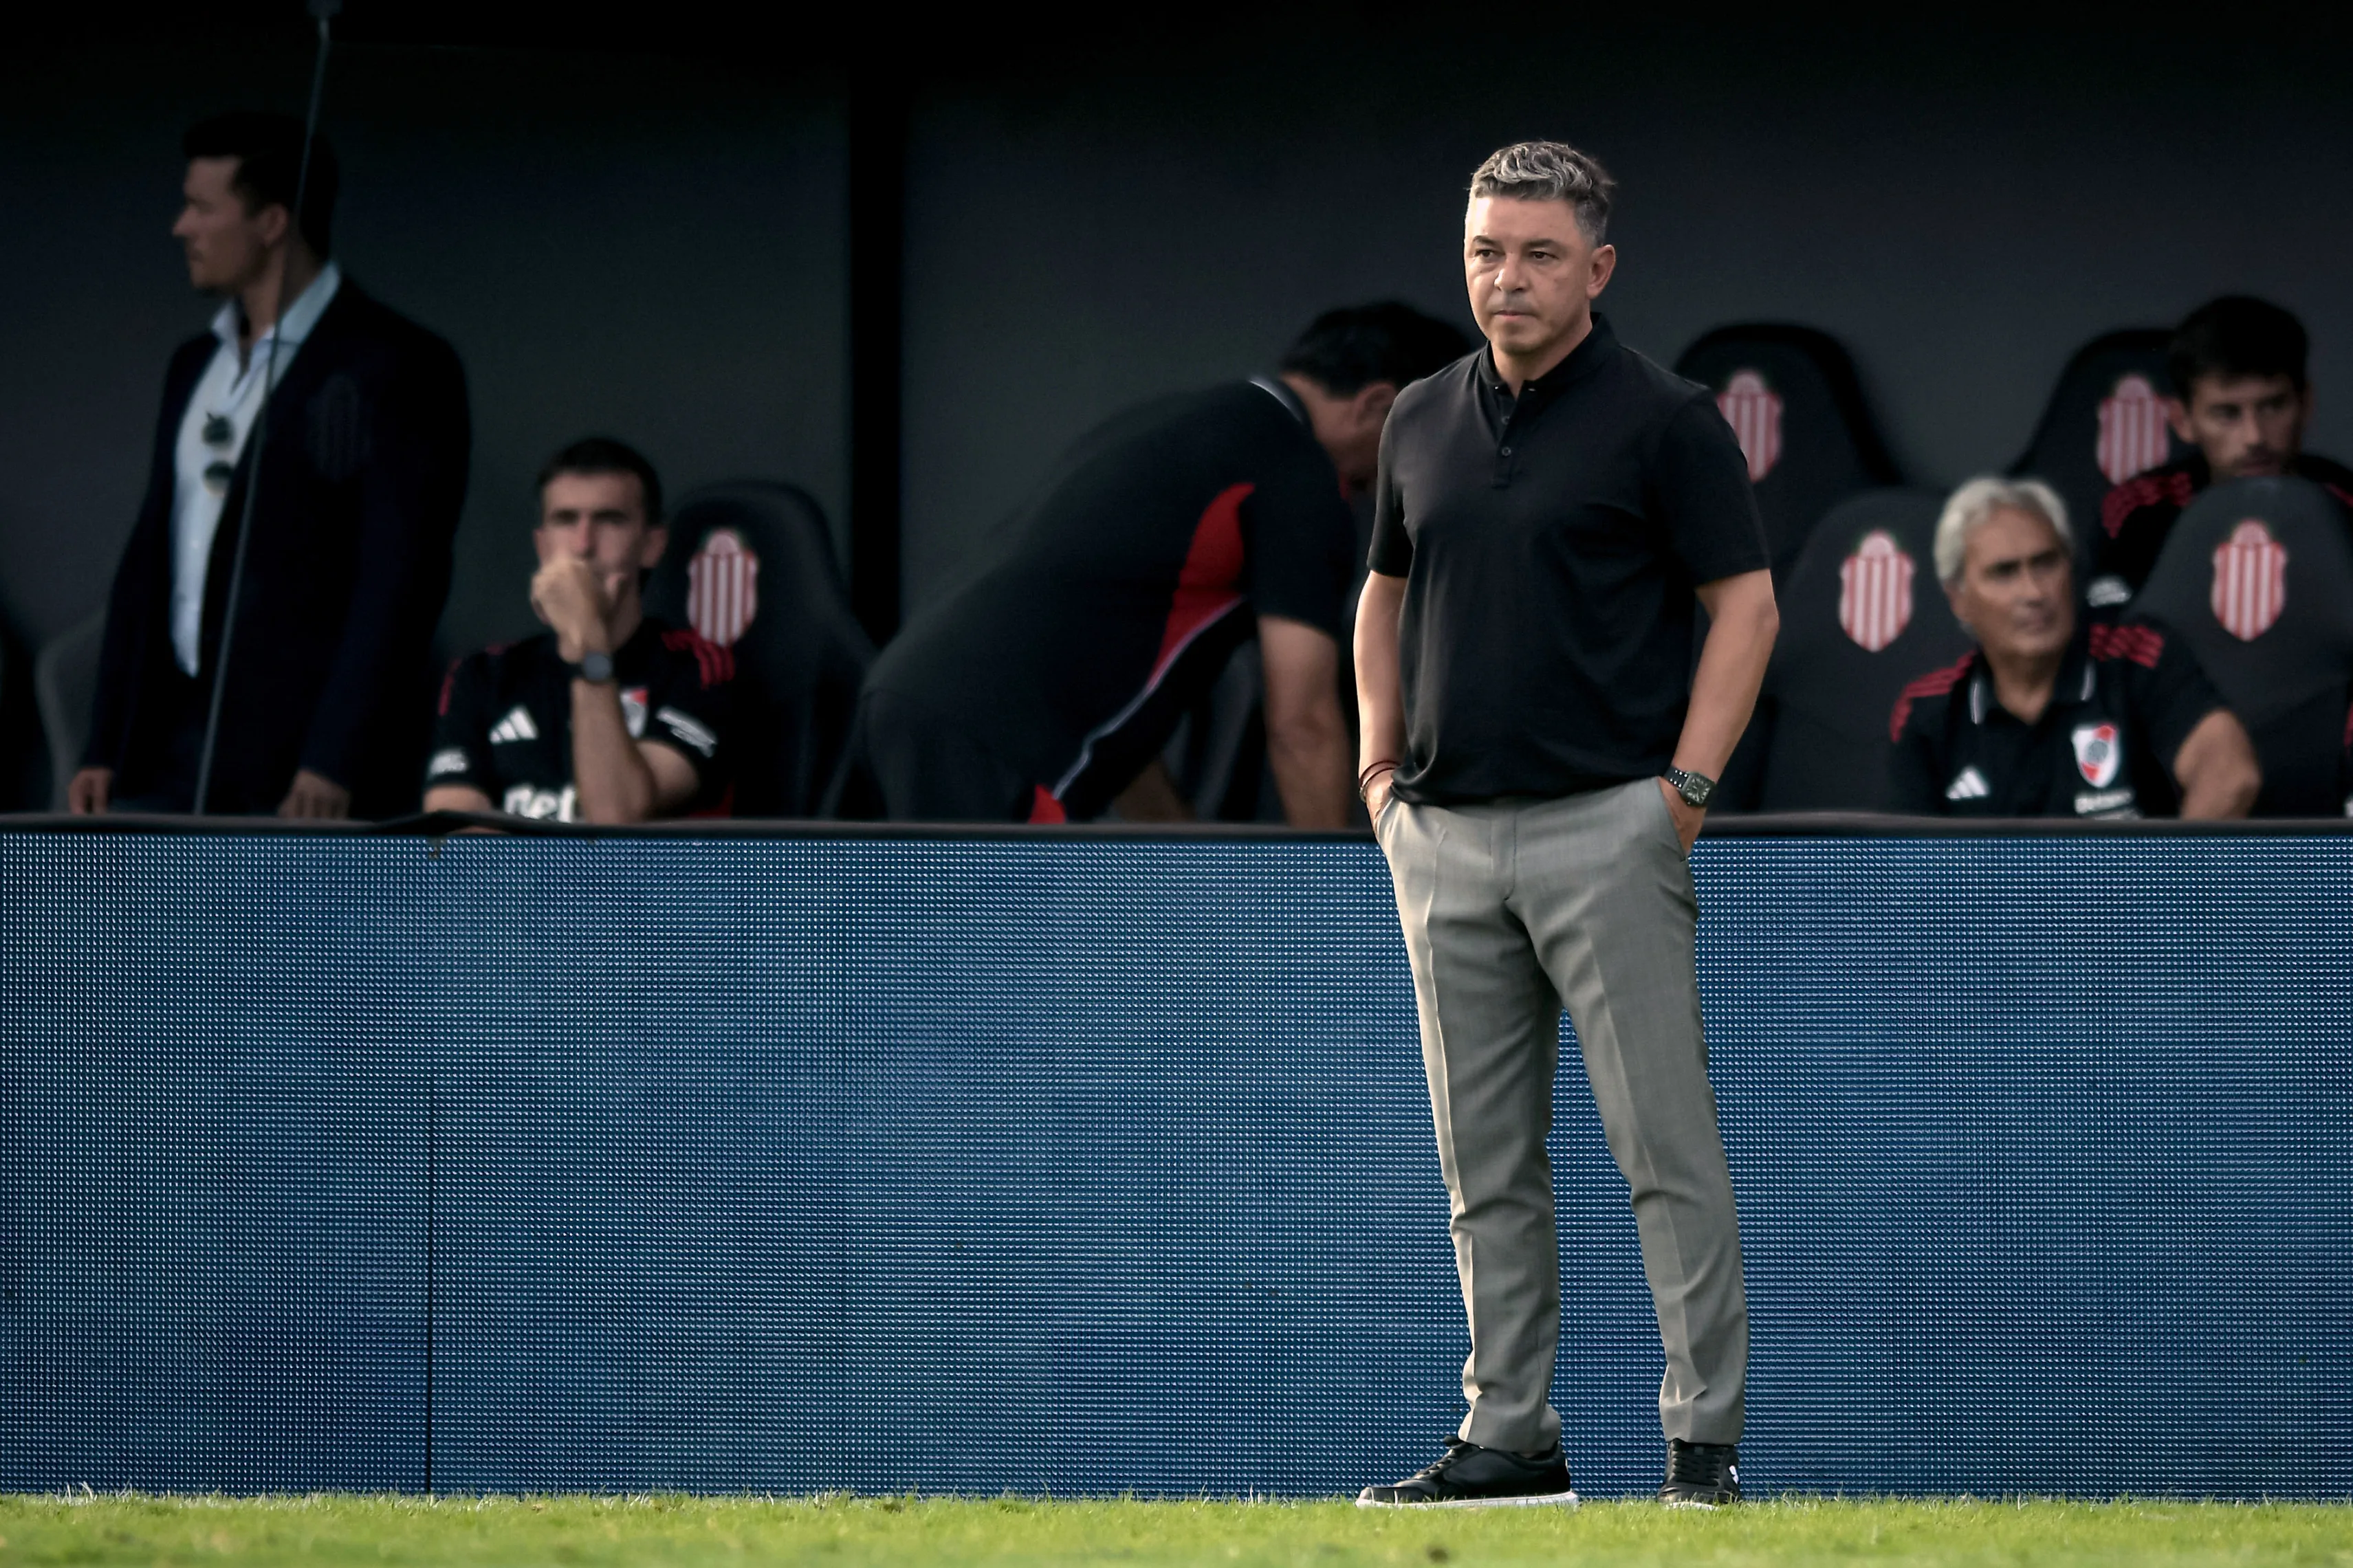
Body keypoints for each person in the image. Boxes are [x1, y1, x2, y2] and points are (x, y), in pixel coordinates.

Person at [1354, 142, 1777, 1510]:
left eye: (1538, 253)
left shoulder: (1664, 419)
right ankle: (1510, 1438)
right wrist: (1376, 776)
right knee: (1484, 1168)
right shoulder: (1418, 415)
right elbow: (1381, 596)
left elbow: (1747, 606)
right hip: (1446, 833)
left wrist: (1683, 797)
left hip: (1610, 823)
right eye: (1485, 249)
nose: (1506, 277)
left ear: (1597, 267)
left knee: (1664, 1151)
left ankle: (1700, 1446)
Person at [841, 302, 1470, 826]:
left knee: (896, 966)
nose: (1387, 484)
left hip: (897, 699)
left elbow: (1115, 701)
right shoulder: (1298, 473)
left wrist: (1179, 852)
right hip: (996, 740)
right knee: (992, 971)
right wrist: (1337, 912)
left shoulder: (1181, 423)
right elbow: (1302, 725)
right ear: (1378, 406)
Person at [72, 111, 470, 819]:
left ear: (271, 222)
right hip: (167, 748)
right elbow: (149, 560)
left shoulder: (398, 364)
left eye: (200, 207)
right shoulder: (193, 364)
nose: (180, 227)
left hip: (300, 768)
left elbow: (399, 584)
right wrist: (104, 742)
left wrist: (333, 756)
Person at [1890, 478, 2258, 818]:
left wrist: (2161, 886)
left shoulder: (2134, 657)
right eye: (2004, 572)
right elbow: (1905, 866)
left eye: (2046, 563)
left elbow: (2230, 777)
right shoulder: (1931, 712)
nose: (2034, 593)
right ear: (1958, 598)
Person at [424, 439, 734, 824]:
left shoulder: (698, 668)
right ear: (542, 546)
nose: (584, 546)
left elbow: (613, 815)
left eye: (610, 520)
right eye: (565, 520)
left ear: (653, 546)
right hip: (514, 886)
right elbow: (450, 831)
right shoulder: (483, 675)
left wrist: (588, 644)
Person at [2091, 297, 2353, 601]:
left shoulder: (2344, 506)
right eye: (2227, 414)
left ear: (2305, 405)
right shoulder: (2138, 513)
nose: (2254, 437)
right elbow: (2107, 639)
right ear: (2183, 420)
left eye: (2273, 407)